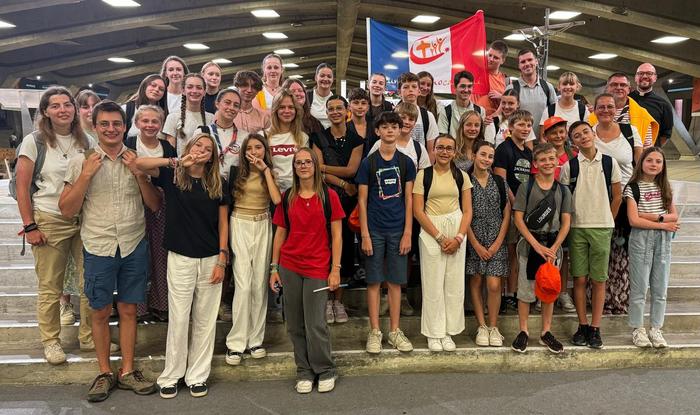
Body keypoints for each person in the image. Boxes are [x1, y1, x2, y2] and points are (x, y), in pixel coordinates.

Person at [60, 100, 160, 402]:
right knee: (100, 311)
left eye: (117, 124)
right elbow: (66, 209)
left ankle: (127, 371)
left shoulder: (137, 159)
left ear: (125, 126)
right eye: (105, 124)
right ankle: (104, 372)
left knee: (129, 309)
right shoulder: (82, 161)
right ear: (95, 126)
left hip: (133, 242)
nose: (111, 129)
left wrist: (140, 174)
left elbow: (154, 205)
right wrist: (86, 175)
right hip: (99, 245)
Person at [133, 133, 228, 399]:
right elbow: (138, 164)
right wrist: (177, 162)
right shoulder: (173, 176)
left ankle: (198, 375)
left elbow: (223, 223)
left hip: (210, 257)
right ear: (189, 147)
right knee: (179, 317)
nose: (202, 151)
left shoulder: (219, 182)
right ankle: (172, 374)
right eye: (198, 145)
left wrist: (222, 257)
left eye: (208, 149)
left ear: (213, 156)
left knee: (205, 319)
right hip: (181, 257)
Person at [15, 86, 96, 365]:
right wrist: (30, 226)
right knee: (51, 286)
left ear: (74, 109)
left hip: (83, 219)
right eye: (55, 105)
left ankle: (88, 337)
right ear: (46, 112)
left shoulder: (86, 140)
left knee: (90, 284)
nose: (63, 110)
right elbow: (22, 187)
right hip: (49, 218)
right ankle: (51, 341)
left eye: (67, 104)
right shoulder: (34, 142)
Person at [269, 148, 344, 394]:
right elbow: (280, 233)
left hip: (317, 266)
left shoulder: (329, 196)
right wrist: (274, 268)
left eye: (307, 162)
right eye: (298, 162)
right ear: (294, 167)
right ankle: (304, 371)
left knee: (315, 324)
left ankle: (325, 370)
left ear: (314, 165)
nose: (303, 166)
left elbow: (337, 235)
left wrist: (335, 270)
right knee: (294, 324)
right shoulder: (288, 196)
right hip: (289, 266)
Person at [356, 111, 416, 354]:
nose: (390, 130)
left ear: (400, 129)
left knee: (395, 282)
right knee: (373, 282)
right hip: (375, 230)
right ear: (377, 131)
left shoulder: (406, 163)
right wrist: (366, 235)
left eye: (394, 126)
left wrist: (407, 233)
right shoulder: (368, 163)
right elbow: (361, 201)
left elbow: (410, 200)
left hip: (398, 230)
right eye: (385, 126)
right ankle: (374, 331)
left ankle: (394, 331)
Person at [559, 120, 622, 349]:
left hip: (602, 226)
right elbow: (565, 199)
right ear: (572, 142)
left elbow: (617, 196)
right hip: (577, 227)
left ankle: (596, 327)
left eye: (585, 132)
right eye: (577, 135)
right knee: (579, 278)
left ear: (593, 133)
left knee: (598, 279)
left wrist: (609, 220)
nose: (583, 137)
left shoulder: (609, 162)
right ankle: (582, 325)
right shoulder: (570, 167)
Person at [224, 134, 282, 365]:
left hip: (263, 224)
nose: (255, 151)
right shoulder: (236, 171)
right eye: (250, 148)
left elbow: (277, 200)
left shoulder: (270, 172)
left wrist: (265, 170)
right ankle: (236, 343)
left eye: (259, 147)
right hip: (240, 223)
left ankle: (255, 340)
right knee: (243, 284)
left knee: (259, 284)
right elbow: (227, 205)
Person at [511, 143, 572, 354]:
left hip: (552, 247)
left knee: (549, 289)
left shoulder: (563, 191)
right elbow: (518, 218)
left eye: (551, 159)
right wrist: (535, 245)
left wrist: (553, 248)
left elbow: (566, 222)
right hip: (530, 245)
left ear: (557, 162)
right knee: (526, 290)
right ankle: (524, 330)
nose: (547, 163)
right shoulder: (526, 187)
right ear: (535, 164)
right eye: (543, 160)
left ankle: (546, 331)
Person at [413, 135, 472, 351]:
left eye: (449, 148)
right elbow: (418, 210)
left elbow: (467, 211)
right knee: (433, 283)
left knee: (454, 284)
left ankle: (448, 331)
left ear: (455, 152)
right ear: (434, 150)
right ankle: (433, 332)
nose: (444, 152)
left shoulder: (462, 176)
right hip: (431, 230)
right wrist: (439, 237)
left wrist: (458, 237)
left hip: (456, 229)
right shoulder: (423, 175)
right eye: (440, 148)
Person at [312, 95, 363, 324]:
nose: (335, 112)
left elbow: (352, 170)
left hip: (348, 205)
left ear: (346, 111)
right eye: (330, 108)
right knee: (324, 249)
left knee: (343, 251)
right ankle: (324, 301)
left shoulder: (356, 139)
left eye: (339, 108)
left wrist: (324, 168)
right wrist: (342, 183)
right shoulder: (317, 137)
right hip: (325, 200)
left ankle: (338, 301)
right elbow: (317, 171)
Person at [124, 105, 177, 321]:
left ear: (161, 124)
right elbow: (131, 165)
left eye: (155, 121)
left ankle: (160, 304)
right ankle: (137, 308)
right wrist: (154, 168)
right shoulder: (128, 144)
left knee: (160, 257)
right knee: (136, 257)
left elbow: (168, 175)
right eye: (145, 121)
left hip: (160, 205)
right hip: (131, 201)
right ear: (137, 123)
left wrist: (144, 168)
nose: (150, 125)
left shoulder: (166, 146)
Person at [592, 93, 643, 315]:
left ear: (616, 109)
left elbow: (640, 167)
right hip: (595, 200)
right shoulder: (588, 134)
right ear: (594, 110)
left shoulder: (630, 133)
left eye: (610, 106)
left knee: (621, 251)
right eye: (601, 107)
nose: (605, 110)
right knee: (599, 250)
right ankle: (595, 298)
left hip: (624, 200)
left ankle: (619, 297)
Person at [626, 147, 679, 348]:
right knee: (639, 288)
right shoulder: (633, 187)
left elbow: (675, 216)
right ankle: (638, 329)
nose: (654, 164)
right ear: (642, 162)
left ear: (663, 165)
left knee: (660, 289)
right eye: (650, 160)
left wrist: (652, 218)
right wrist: (663, 222)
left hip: (663, 240)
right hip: (641, 239)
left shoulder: (666, 187)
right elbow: (633, 219)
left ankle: (656, 328)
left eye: (658, 161)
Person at [267, 89, 309, 322]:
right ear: (275, 110)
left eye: (290, 107)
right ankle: (276, 301)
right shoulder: (266, 136)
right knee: (278, 248)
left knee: (297, 248)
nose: (286, 111)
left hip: (298, 199)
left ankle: (297, 300)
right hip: (275, 200)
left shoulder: (302, 138)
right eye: (282, 107)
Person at [467, 141, 510, 347]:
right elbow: (463, 213)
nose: (486, 159)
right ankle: (481, 326)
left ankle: (494, 327)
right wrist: (475, 243)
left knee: (493, 284)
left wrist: (497, 242)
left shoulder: (500, 181)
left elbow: (507, 212)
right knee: (476, 280)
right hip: (473, 236)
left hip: (495, 237)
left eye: (490, 156)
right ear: (474, 155)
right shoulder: (464, 180)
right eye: (482, 154)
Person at [493, 110, 533, 312]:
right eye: (521, 125)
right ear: (510, 127)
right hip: (510, 207)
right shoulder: (503, 149)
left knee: (518, 253)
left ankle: (515, 291)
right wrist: (516, 203)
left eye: (528, 125)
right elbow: (501, 180)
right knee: (508, 251)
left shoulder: (528, 151)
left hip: (524, 208)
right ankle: (505, 294)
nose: (525, 129)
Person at [538, 116, 577, 313]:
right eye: (553, 132)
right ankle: (541, 287)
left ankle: (561, 292)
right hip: (543, 209)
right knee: (542, 251)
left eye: (561, 131)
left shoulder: (574, 156)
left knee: (564, 253)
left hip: (566, 210)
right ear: (546, 136)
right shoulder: (540, 156)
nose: (558, 135)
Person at [590, 72, 659, 148]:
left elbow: (647, 147)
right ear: (607, 88)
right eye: (614, 84)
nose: (619, 87)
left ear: (629, 89)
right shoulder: (594, 114)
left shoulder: (642, 114)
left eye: (623, 85)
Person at [195, 88, 249, 179]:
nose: (231, 108)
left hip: (232, 188)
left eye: (236, 105)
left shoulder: (244, 137)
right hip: (206, 185)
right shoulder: (202, 132)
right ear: (217, 104)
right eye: (227, 102)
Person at [504, 48, 557, 137]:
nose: (527, 64)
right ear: (519, 66)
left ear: (536, 61)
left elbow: (555, 114)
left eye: (530, 60)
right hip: (519, 143)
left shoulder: (548, 87)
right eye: (523, 62)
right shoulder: (511, 88)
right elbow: (504, 115)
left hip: (543, 143)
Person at [162, 73, 214, 155]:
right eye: (190, 87)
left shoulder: (211, 118)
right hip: (181, 165)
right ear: (183, 91)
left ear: (204, 92)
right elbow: (170, 151)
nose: (194, 91)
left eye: (199, 88)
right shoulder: (173, 117)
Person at [629, 63, 675, 147]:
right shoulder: (626, 100)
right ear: (635, 78)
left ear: (655, 78)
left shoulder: (663, 104)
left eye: (649, 73)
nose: (645, 76)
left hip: (649, 154)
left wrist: (654, 148)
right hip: (626, 154)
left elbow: (665, 134)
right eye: (641, 73)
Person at [397, 72, 439, 162]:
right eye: (406, 87)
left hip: (420, 166)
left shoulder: (428, 117)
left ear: (419, 91)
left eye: (414, 86)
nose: (410, 90)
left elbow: (431, 151)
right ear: (399, 92)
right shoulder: (392, 115)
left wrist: (427, 173)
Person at [538, 72, 589, 142]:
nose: (568, 87)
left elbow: (588, 135)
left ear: (577, 87)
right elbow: (542, 138)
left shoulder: (583, 110)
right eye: (564, 84)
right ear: (559, 87)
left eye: (571, 84)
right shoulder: (549, 110)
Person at [439, 71, 485, 139]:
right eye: (462, 86)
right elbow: (442, 139)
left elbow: (483, 137)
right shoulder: (445, 112)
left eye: (469, 86)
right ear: (455, 87)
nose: (466, 90)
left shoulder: (480, 111)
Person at [471, 40, 510, 116]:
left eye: (496, 58)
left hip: (494, 123)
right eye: (489, 55)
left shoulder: (506, 80)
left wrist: (501, 97)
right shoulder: (475, 73)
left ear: (502, 61)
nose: (491, 59)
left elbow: (513, 103)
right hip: (474, 120)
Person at [308, 63, 335, 129]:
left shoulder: (336, 100)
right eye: (322, 76)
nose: (325, 79)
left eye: (329, 76)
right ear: (316, 78)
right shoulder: (307, 97)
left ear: (333, 80)